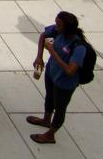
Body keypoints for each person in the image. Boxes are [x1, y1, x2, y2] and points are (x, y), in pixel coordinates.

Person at [27, 10, 90, 144]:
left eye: (59, 25)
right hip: (51, 73)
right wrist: (39, 56)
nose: (56, 27)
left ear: (67, 28)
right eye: (56, 23)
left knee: (60, 108)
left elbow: (70, 71)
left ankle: (50, 135)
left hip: (64, 83)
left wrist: (51, 51)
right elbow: (43, 35)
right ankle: (46, 120)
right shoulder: (57, 31)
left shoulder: (79, 47)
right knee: (49, 97)